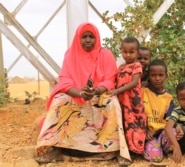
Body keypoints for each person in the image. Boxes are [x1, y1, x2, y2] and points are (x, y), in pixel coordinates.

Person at [35, 22, 130, 163]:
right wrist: (80, 93)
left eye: (91, 36)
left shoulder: (106, 54)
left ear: (97, 38)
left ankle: (114, 150)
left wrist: (96, 90)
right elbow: (64, 81)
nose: (87, 40)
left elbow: (110, 80)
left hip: (98, 95)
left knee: (112, 102)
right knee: (59, 100)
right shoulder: (70, 54)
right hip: (77, 96)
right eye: (84, 36)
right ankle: (56, 148)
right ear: (78, 39)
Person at [107, 37, 147, 164]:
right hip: (122, 102)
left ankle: (136, 150)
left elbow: (134, 83)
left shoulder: (137, 65)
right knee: (123, 124)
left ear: (137, 52)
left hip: (133, 102)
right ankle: (124, 151)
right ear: (121, 51)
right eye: (125, 52)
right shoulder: (120, 67)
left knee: (135, 124)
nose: (128, 55)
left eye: (131, 52)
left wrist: (118, 91)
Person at [142, 59, 183, 163]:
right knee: (156, 158)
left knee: (174, 133)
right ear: (148, 76)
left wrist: (177, 125)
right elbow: (137, 115)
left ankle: (164, 149)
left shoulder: (168, 98)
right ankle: (155, 149)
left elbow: (170, 120)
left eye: (161, 75)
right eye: (153, 75)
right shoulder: (143, 92)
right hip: (148, 134)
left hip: (163, 132)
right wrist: (145, 130)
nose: (157, 78)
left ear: (166, 76)